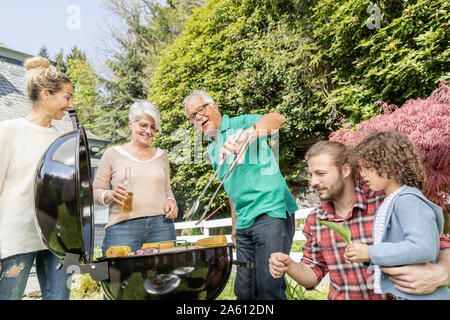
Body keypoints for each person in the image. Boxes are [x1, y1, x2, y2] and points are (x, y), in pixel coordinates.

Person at [268, 140, 450, 300]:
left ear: (345, 170)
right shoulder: (316, 220)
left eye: (321, 174)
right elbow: (312, 274)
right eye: (311, 175)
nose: (313, 182)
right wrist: (289, 265)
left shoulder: (386, 202)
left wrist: (442, 273)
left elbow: (438, 244)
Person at [183, 89, 298, 300]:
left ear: (214, 106)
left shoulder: (242, 122)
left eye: (201, 109)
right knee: (244, 290)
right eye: (193, 116)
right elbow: (231, 188)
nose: (199, 117)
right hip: (244, 223)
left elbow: (277, 119)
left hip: (270, 211)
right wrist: (235, 226)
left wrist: (248, 133)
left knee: (269, 287)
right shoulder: (211, 147)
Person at [0, 56, 74, 300]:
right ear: (46, 95)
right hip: (15, 240)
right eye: (67, 97)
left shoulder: (62, 140)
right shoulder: (8, 131)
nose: (70, 105)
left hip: (56, 240)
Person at [344, 131, 450, 299]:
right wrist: (366, 257)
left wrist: (372, 252)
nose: (362, 174)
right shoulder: (391, 201)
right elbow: (400, 249)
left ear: (389, 167)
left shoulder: (409, 200)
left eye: (368, 168)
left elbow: (423, 248)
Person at [93, 100, 178, 256]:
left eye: (153, 128)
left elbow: (167, 190)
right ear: (131, 124)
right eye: (143, 125)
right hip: (123, 225)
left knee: (164, 277)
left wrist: (171, 201)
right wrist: (110, 194)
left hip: (161, 225)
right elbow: (96, 192)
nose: (148, 131)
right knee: (120, 277)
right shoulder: (112, 154)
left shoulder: (162, 155)